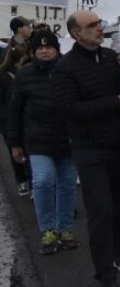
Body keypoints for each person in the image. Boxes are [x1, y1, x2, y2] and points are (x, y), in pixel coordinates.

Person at [55, 10, 120, 285]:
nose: (100, 28)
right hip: (90, 151)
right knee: (101, 210)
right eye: (93, 25)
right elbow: (70, 109)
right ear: (77, 33)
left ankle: (118, 250)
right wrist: (115, 102)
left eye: (100, 23)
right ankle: (105, 272)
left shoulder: (111, 58)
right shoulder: (65, 67)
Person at [8, 31, 79, 255]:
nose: (45, 51)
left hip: (67, 139)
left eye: (49, 47)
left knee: (67, 184)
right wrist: (15, 143)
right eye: (40, 48)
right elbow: (14, 111)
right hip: (37, 141)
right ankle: (48, 230)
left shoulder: (69, 71)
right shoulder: (24, 75)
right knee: (43, 180)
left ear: (57, 49)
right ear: (34, 51)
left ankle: (65, 229)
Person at [0, 44, 32, 196]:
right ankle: (26, 181)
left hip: (11, 120)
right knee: (22, 150)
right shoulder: (11, 76)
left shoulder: (23, 75)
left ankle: (25, 182)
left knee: (19, 150)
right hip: (13, 119)